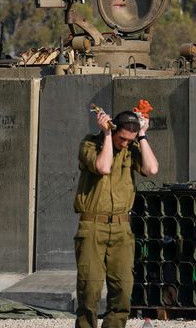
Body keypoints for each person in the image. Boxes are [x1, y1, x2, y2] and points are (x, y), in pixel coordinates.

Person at [74, 107, 159, 328]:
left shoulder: (131, 148)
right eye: (122, 138)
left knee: (123, 289)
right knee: (89, 289)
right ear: (112, 130)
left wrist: (142, 135)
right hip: (93, 225)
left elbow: (151, 168)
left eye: (129, 139)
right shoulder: (90, 145)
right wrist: (107, 135)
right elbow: (103, 167)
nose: (125, 143)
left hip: (122, 227)